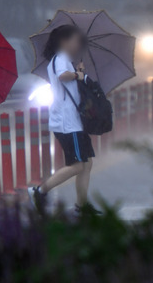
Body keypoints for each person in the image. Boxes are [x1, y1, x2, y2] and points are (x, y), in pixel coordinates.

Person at [28, 25, 99, 215]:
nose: (78, 44)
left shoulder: (64, 60)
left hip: (74, 121)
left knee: (87, 162)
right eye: (76, 40)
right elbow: (62, 76)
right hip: (69, 123)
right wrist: (79, 75)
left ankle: (82, 205)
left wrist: (76, 71)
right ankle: (39, 191)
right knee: (77, 165)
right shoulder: (60, 58)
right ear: (64, 42)